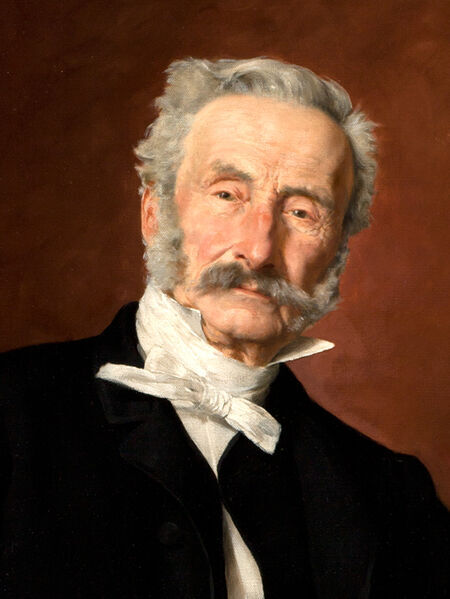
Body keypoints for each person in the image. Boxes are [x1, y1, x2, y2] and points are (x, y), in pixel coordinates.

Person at [0, 58, 448, 599]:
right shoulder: (11, 411)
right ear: (154, 214)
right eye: (228, 194)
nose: (259, 251)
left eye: (302, 212)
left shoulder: (391, 493)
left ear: (337, 254)